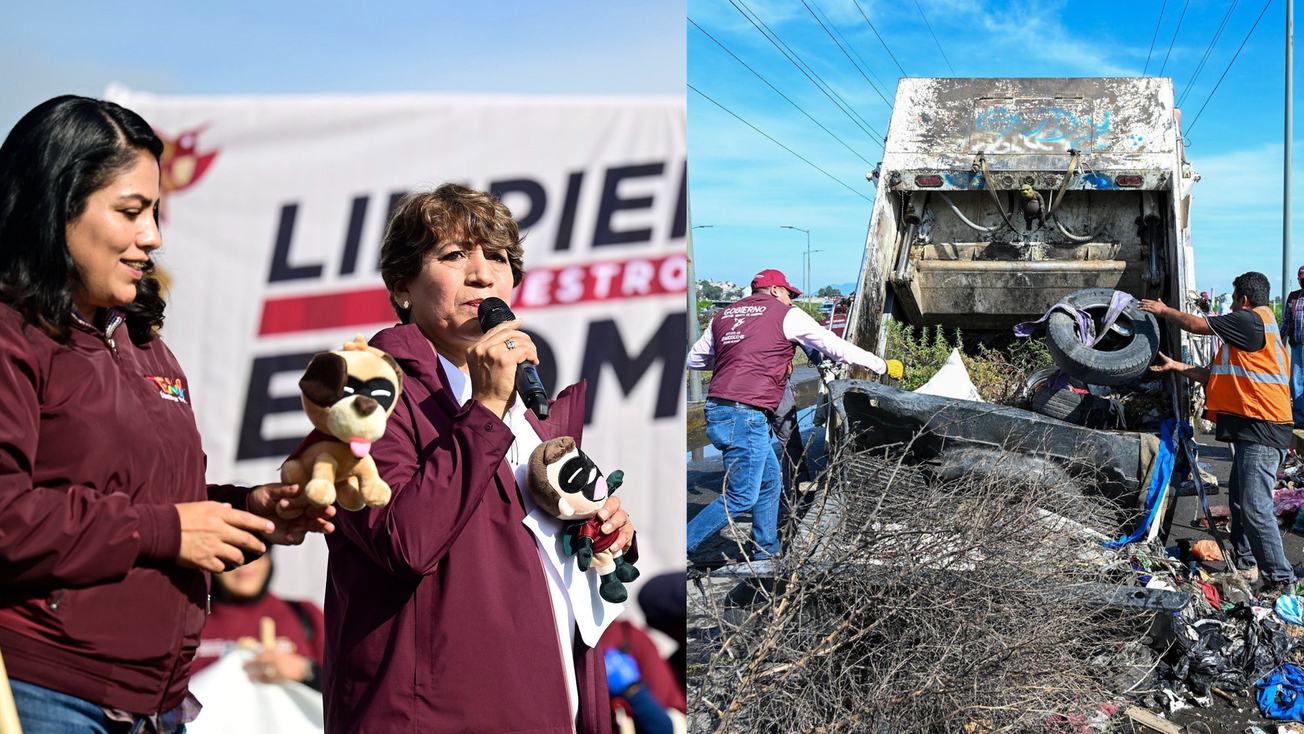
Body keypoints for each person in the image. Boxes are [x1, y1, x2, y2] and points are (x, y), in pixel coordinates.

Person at [0, 96, 335, 733]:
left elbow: (147, 503)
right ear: (54, 205)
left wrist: (246, 512)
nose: (152, 236)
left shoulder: (140, 339)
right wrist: (168, 530)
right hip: (45, 691)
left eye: (155, 212)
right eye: (131, 211)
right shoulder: (11, 332)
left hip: (158, 706)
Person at [321, 183, 635, 733]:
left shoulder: (526, 406)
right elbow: (405, 543)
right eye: (453, 256)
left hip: (548, 699)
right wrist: (486, 408)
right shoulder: (363, 390)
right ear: (401, 288)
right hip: (439, 714)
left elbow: (528, 554)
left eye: (498, 257)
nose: (482, 274)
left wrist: (604, 531)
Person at [685, 269, 896, 561]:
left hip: (723, 408)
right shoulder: (786, 314)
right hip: (743, 413)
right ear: (774, 291)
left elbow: (694, 359)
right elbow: (834, 346)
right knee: (742, 495)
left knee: (770, 481)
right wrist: (880, 365)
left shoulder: (725, 315)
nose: (791, 299)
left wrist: (739, 355)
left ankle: (765, 550)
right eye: (788, 293)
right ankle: (682, 546)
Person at [1141, 271, 1296, 593]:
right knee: (1240, 504)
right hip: (1254, 429)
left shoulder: (1250, 321)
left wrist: (1164, 311)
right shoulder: (1256, 329)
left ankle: (1282, 581)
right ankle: (1246, 566)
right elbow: (1219, 376)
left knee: (1254, 508)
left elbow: (1198, 326)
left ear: (1242, 299)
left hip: (1263, 429)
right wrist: (1178, 367)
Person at [193, 551, 325, 691]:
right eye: (232, 552)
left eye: (256, 552)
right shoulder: (185, 623)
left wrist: (305, 671)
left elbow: (345, 689)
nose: (245, 563)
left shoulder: (305, 615)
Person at [1282, 266, 1304, 426]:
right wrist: (1276, 340)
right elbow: (1285, 322)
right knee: (1296, 382)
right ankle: (1299, 419)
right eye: (1301, 279)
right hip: (1297, 345)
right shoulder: (1293, 297)